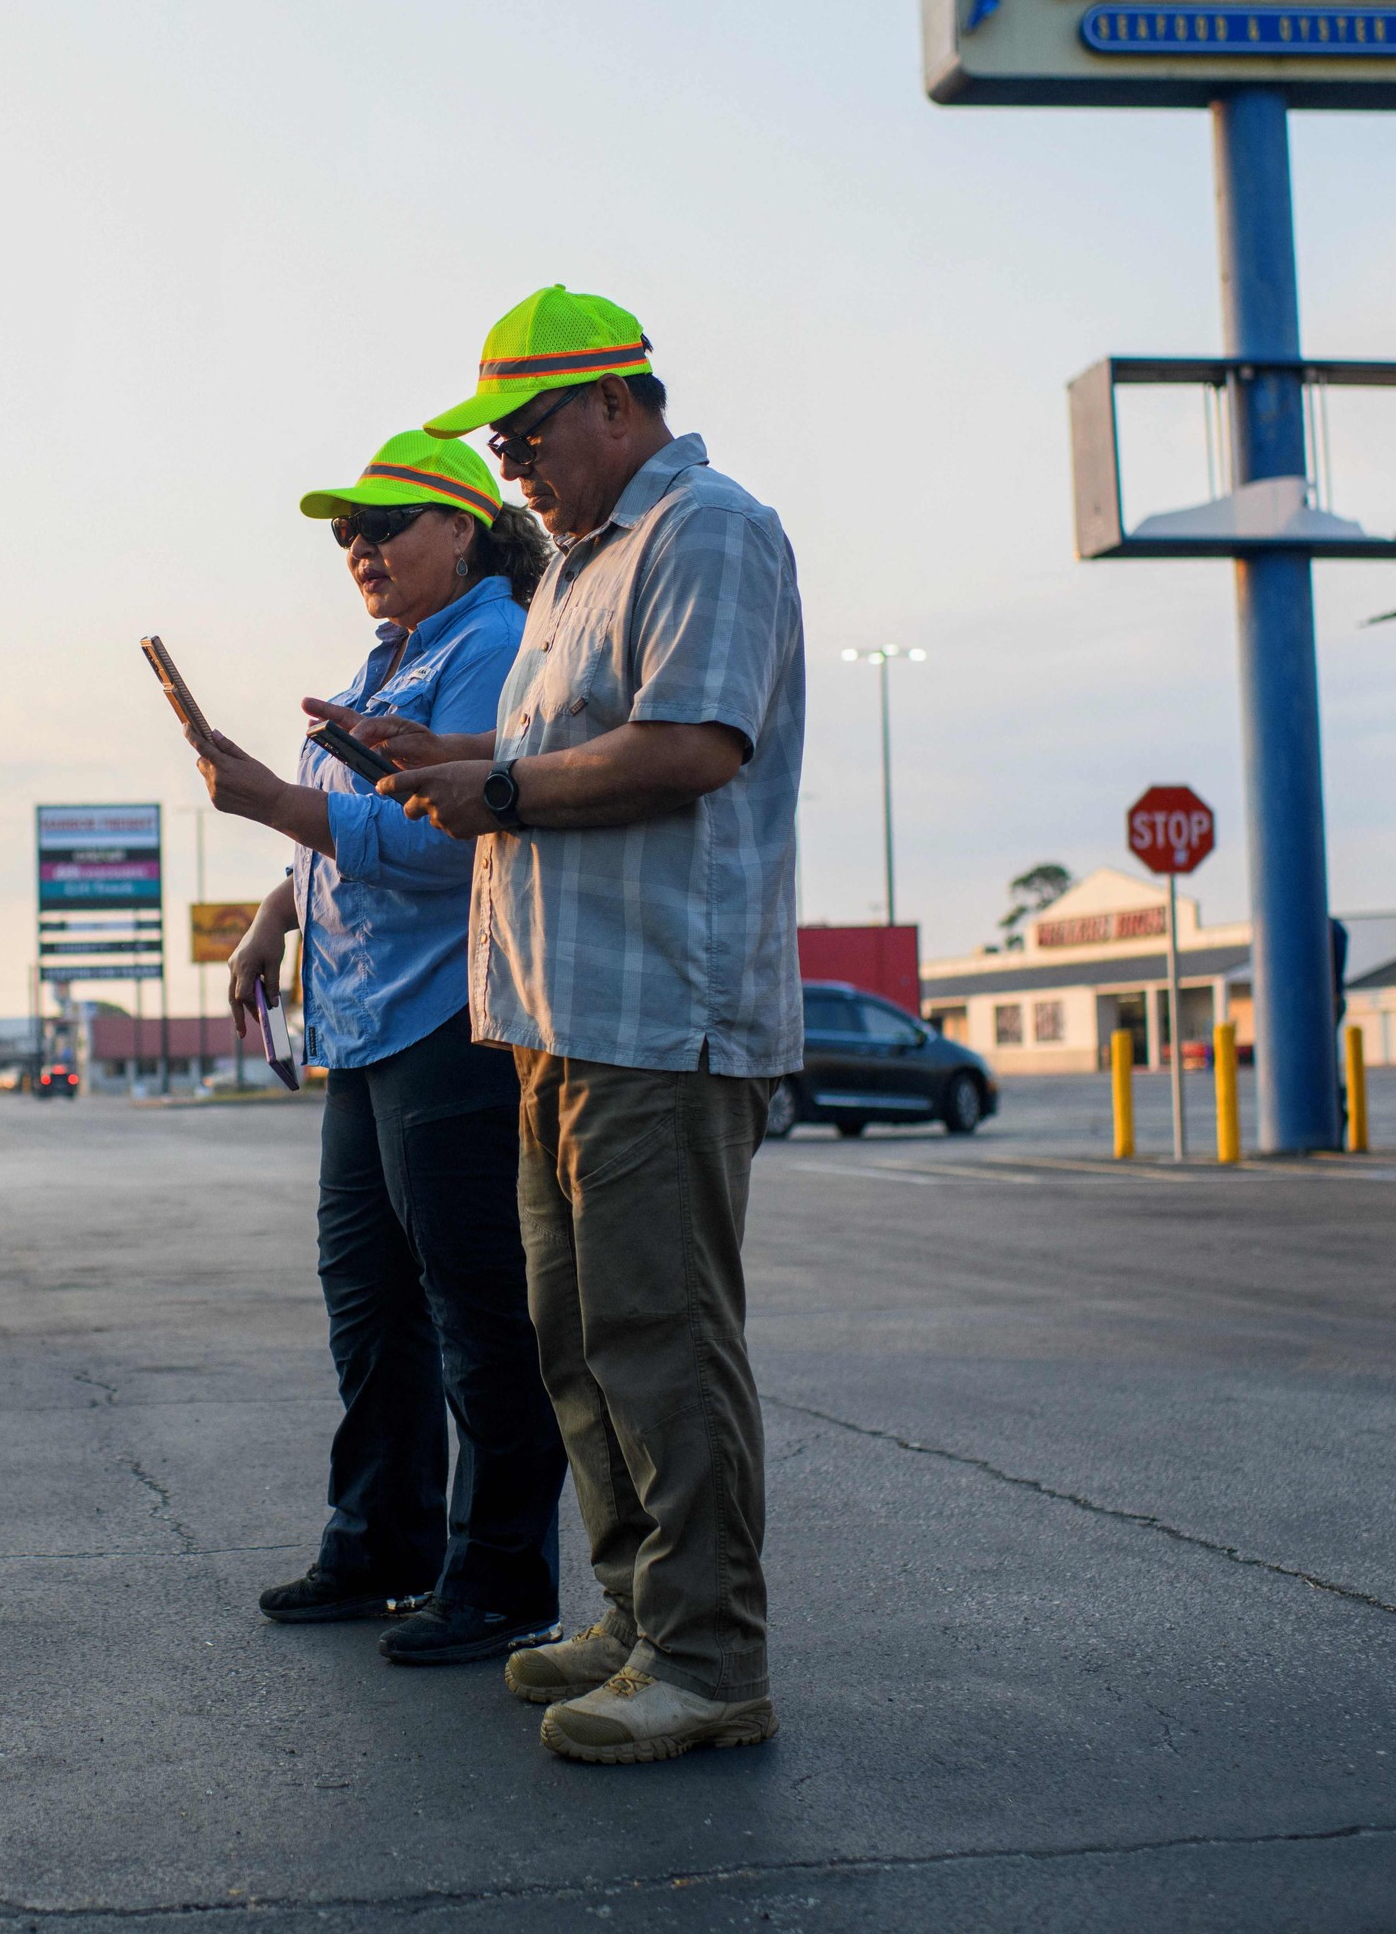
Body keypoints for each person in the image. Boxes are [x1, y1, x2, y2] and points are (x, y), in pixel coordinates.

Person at [381, 285, 805, 1761]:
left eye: (525, 434)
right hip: (555, 1016)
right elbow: (561, 745)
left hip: (659, 1017)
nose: (511, 467)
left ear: (617, 404)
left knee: (661, 1339)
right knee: (578, 1342)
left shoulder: (707, 530)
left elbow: (689, 745)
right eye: (499, 446)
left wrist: (494, 788)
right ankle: (637, 1616)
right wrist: (446, 752)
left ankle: (709, 1658)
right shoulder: (574, 568)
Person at [189, 430, 567, 1665]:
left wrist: (273, 799)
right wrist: (271, 914)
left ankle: (501, 1579)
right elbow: (346, 831)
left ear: (463, 528)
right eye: (347, 533)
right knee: (369, 1302)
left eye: (385, 525)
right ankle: (381, 1543)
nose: (359, 547)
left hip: (448, 1017)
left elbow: (455, 838)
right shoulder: (392, 655)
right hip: (363, 1025)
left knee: (474, 1307)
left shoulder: (492, 646)